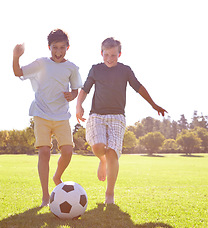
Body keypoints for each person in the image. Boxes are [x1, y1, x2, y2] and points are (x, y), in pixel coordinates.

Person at [76, 37, 167, 204]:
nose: (110, 59)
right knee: (97, 147)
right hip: (97, 115)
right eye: (106, 55)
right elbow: (85, 89)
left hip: (117, 117)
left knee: (112, 153)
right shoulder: (96, 69)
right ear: (101, 53)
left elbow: (138, 87)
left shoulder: (125, 70)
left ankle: (109, 193)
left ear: (119, 54)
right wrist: (78, 105)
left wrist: (153, 104)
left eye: (113, 55)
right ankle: (102, 161)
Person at [13, 29, 82, 207]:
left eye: (62, 48)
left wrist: (72, 95)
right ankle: (45, 196)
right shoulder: (42, 63)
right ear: (48, 47)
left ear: (68, 47)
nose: (58, 52)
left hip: (61, 117)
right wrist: (16, 56)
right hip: (41, 114)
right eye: (54, 48)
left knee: (67, 151)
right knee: (44, 152)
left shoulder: (72, 68)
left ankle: (57, 176)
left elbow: (76, 89)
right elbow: (18, 72)